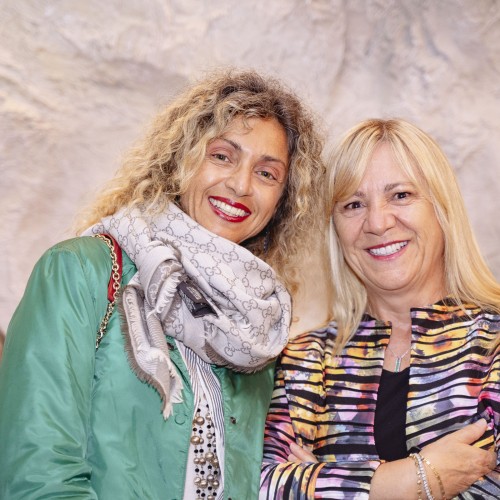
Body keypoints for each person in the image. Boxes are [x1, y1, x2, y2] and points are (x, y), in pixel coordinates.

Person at [0, 69, 325, 499]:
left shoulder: (258, 332)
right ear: (180, 158)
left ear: (282, 201)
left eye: (267, 174)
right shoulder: (80, 270)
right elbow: (37, 475)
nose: (241, 184)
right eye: (222, 156)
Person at [261, 118, 500, 499]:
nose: (377, 222)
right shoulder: (305, 359)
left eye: (401, 195)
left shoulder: (493, 342)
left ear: (441, 208)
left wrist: (320, 481)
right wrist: (413, 480)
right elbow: (261, 486)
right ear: (335, 228)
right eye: (353, 205)